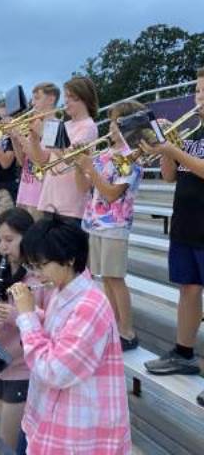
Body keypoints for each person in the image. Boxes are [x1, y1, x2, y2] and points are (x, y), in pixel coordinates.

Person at [12, 215, 131, 454]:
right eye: (32, 266)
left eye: (41, 265)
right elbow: (61, 334)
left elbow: (55, 371)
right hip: (56, 415)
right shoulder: (63, 289)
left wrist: (27, 317)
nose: (35, 273)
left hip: (77, 429)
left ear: (69, 259)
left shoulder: (90, 305)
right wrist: (34, 313)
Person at [139, 68, 204, 400]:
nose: (199, 99)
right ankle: (183, 352)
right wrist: (164, 148)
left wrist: (175, 150)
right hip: (186, 224)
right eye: (197, 92)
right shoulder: (193, 131)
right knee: (188, 290)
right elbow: (169, 176)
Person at [74, 100, 145, 351]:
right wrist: (77, 162)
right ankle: (113, 326)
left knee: (116, 278)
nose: (111, 127)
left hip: (115, 225)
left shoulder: (132, 158)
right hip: (94, 223)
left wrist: (90, 169)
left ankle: (127, 331)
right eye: (112, 121)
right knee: (104, 278)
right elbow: (83, 187)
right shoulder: (104, 155)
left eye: (116, 122)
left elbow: (112, 194)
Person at [0, 208, 51, 452]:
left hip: (22, 369)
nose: (3, 247)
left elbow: (51, 321)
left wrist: (16, 315)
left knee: (8, 442)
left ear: (27, 237)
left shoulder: (39, 277)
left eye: (10, 240)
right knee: (15, 437)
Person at [31, 76, 99, 225]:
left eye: (71, 97)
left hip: (70, 206)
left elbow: (70, 158)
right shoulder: (64, 124)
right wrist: (34, 138)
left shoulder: (88, 126)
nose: (66, 101)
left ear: (84, 99)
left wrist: (43, 134)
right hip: (49, 199)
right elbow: (42, 160)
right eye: (66, 96)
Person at [10, 83, 61, 221]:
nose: (33, 103)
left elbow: (41, 162)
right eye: (33, 99)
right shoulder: (35, 124)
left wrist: (21, 137)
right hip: (25, 192)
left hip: (40, 198)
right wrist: (14, 138)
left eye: (37, 98)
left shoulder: (54, 127)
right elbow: (22, 162)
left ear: (51, 99)